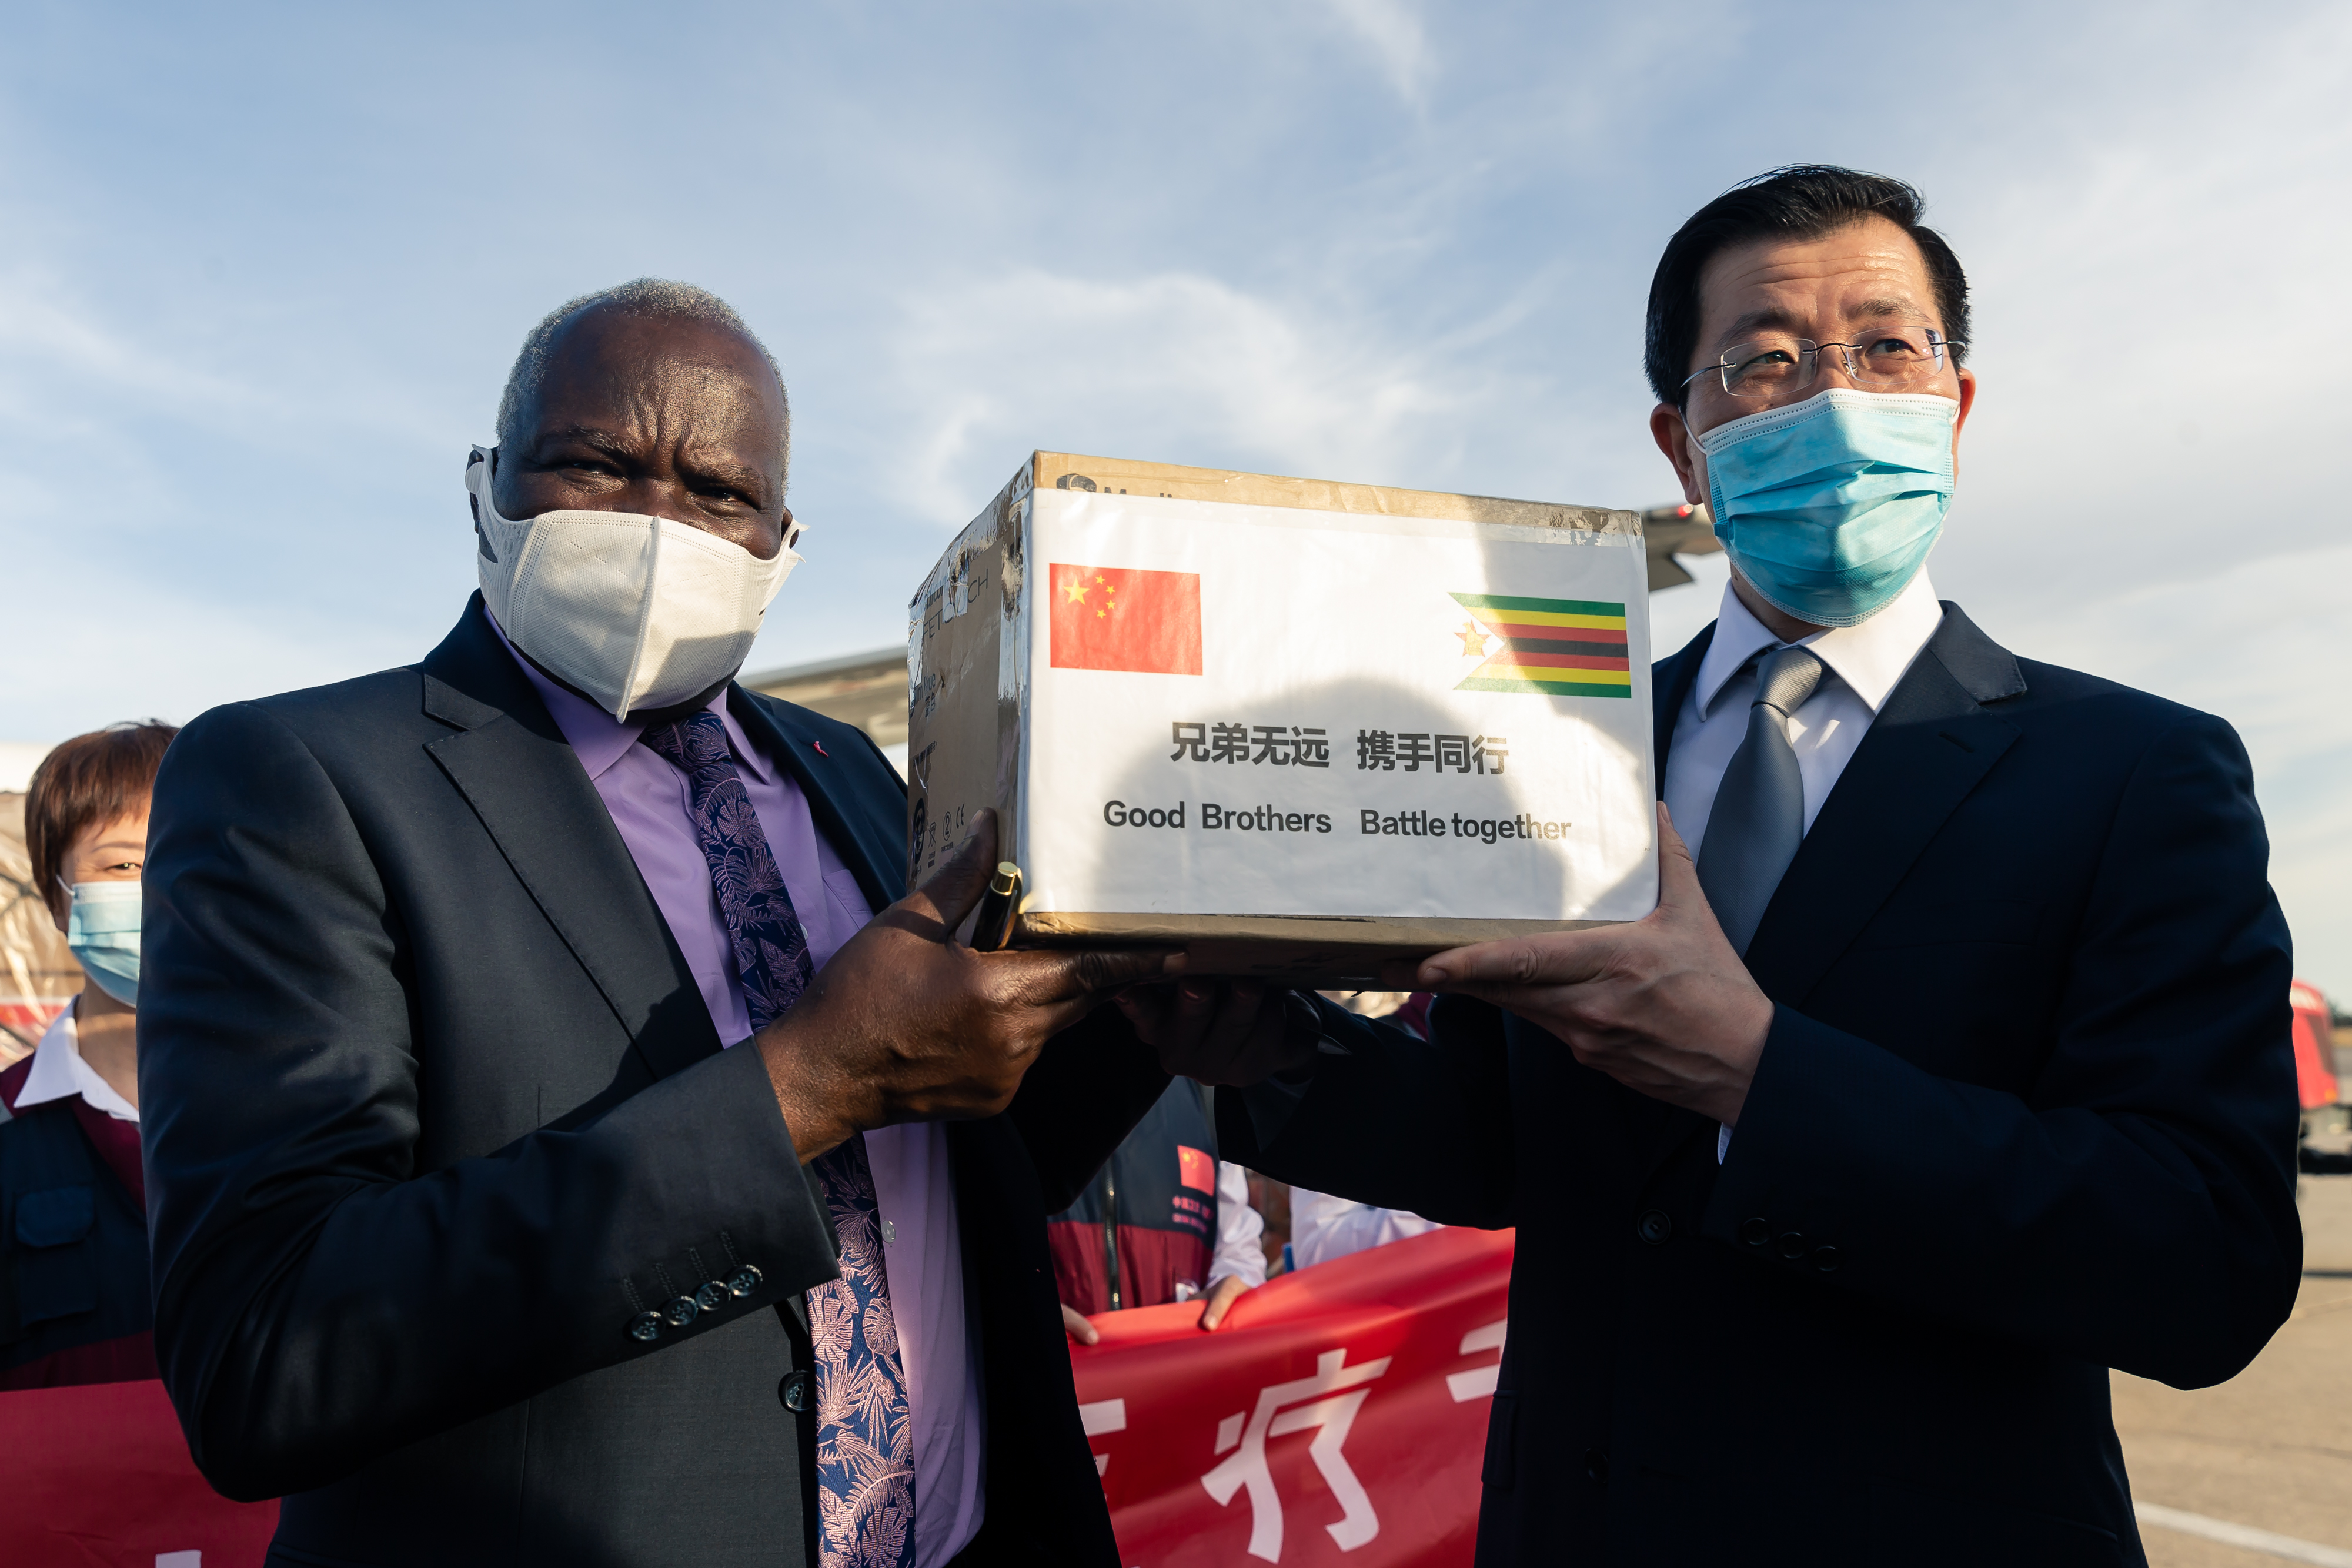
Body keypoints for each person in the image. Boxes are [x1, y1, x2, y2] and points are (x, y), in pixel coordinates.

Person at [1138, 167, 2299, 1565]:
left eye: (1885, 346)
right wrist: (1275, 1055)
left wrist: (1757, 1073)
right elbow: (1498, 1140)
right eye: (1763, 361)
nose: (1834, 398)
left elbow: (2200, 1255)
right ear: (1680, 448)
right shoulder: (1548, 750)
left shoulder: (2130, 769)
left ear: (1953, 405)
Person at [139, 280, 1289, 1568]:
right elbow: (264, 1349)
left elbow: (934, 1178)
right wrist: (802, 1088)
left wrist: (1134, 1035)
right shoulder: (298, 780)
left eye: (719, 492)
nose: (656, 524)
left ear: (781, 542)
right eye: (593, 463)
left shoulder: (857, 774)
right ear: (485, 488)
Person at [1, 722, 176, 1388]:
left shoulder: (311, 1115)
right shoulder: (8, 1128)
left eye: (185, 854)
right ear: (56, 896)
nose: (161, 888)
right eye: (124, 866)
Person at [1050, 1078, 1265, 1342]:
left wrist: (1235, 1284)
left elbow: (1237, 1252)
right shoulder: (1010, 1080)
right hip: (1042, 1362)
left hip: (1177, 1361)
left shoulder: (1208, 1083)